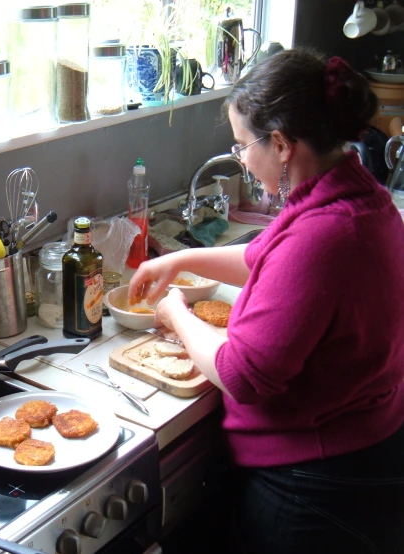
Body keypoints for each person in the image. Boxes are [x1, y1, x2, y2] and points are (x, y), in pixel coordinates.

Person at [129, 49, 404, 553]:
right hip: (367, 455)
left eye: (241, 146)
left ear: (280, 144)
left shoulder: (325, 235)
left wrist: (176, 314)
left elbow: (242, 373)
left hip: (317, 490)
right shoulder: (359, 195)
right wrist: (180, 263)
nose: (241, 159)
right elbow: (267, 255)